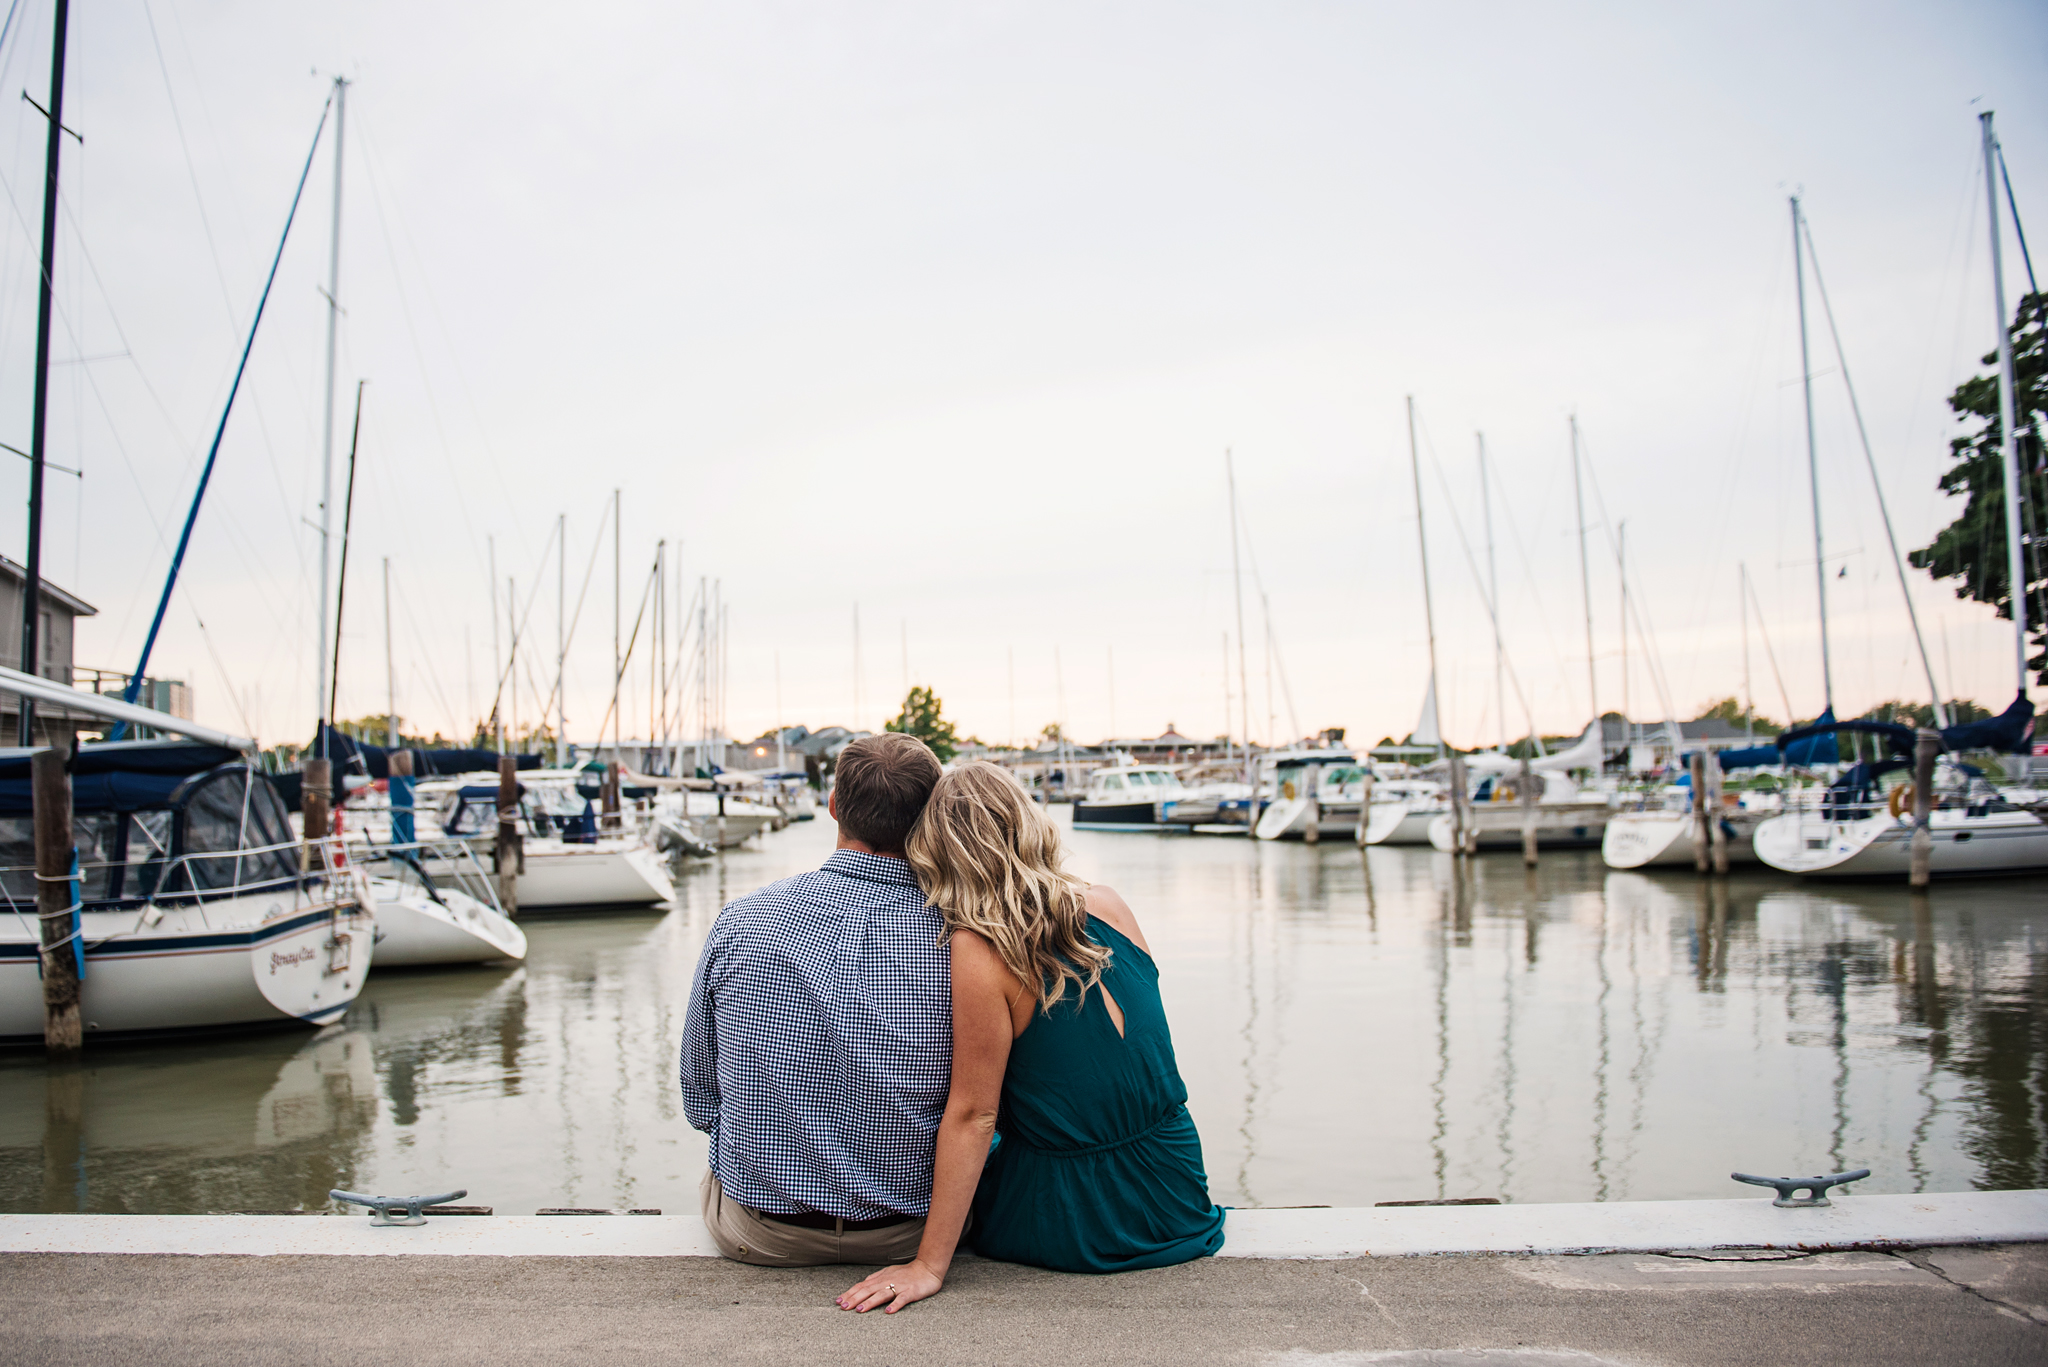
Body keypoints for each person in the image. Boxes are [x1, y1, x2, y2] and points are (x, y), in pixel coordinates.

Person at [837, 760, 1225, 1313]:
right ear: (1029, 822)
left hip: (1079, 1219)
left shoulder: (977, 951)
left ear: (938, 849)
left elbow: (975, 1116)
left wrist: (928, 1266)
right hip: (1178, 1192)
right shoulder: (1108, 902)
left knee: (962, 1112)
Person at [679, 732, 947, 1266]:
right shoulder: (959, 934)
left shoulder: (742, 920)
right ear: (930, 816)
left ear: (832, 807)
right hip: (912, 1233)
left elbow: (700, 1097)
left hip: (766, 1233)